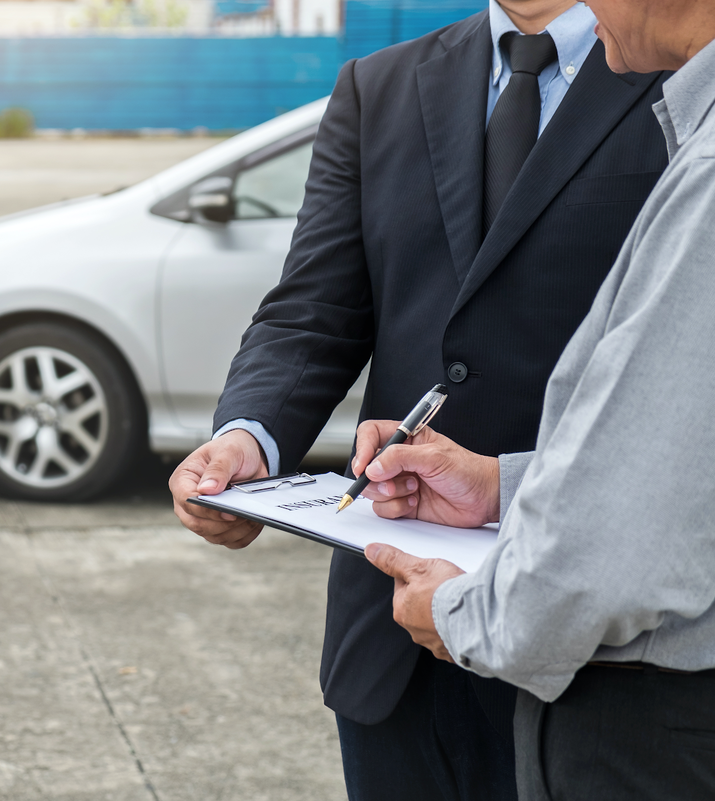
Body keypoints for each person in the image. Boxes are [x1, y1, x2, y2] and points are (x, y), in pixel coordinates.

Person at [168, 0, 670, 798]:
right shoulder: (379, 85)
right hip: (393, 629)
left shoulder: (673, 63)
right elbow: (314, 307)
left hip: (592, 637)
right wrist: (248, 441)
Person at [353, 1, 715, 797]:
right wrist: (502, 487)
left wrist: (466, 614)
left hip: (648, 717)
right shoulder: (378, 81)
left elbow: (622, 539)